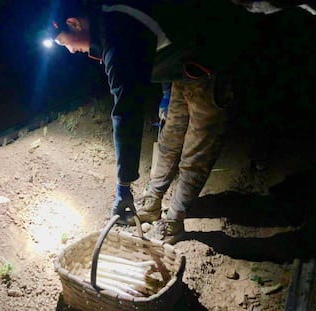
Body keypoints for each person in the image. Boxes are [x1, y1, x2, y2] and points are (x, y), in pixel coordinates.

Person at [43, 1, 312, 243]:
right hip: (182, 68)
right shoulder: (111, 20)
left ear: (74, 23)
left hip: (210, 64)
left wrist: (124, 186)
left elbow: (126, 113)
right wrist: (166, 92)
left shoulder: (117, 36)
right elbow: (160, 34)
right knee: (170, 136)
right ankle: (153, 202)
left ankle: (175, 219)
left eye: (63, 42)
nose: (69, 50)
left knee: (197, 148)